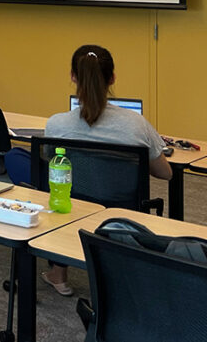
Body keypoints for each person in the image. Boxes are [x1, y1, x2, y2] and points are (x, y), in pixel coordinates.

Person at [38, 45, 172, 296]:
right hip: (121, 214)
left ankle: (59, 273)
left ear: (73, 77)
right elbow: (165, 174)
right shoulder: (136, 125)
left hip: (70, 209)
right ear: (112, 79)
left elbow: (51, 163)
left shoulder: (56, 124)